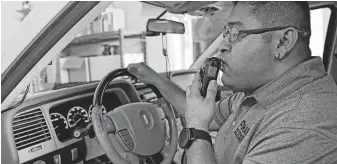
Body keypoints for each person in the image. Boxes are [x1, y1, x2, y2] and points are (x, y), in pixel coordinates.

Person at [128, 1, 337, 164]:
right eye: (226, 33)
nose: (222, 47)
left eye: (236, 33)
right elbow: (205, 115)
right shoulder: (261, 91)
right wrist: (153, 78)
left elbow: (201, 122)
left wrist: (196, 129)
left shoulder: (303, 124)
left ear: (283, 42)